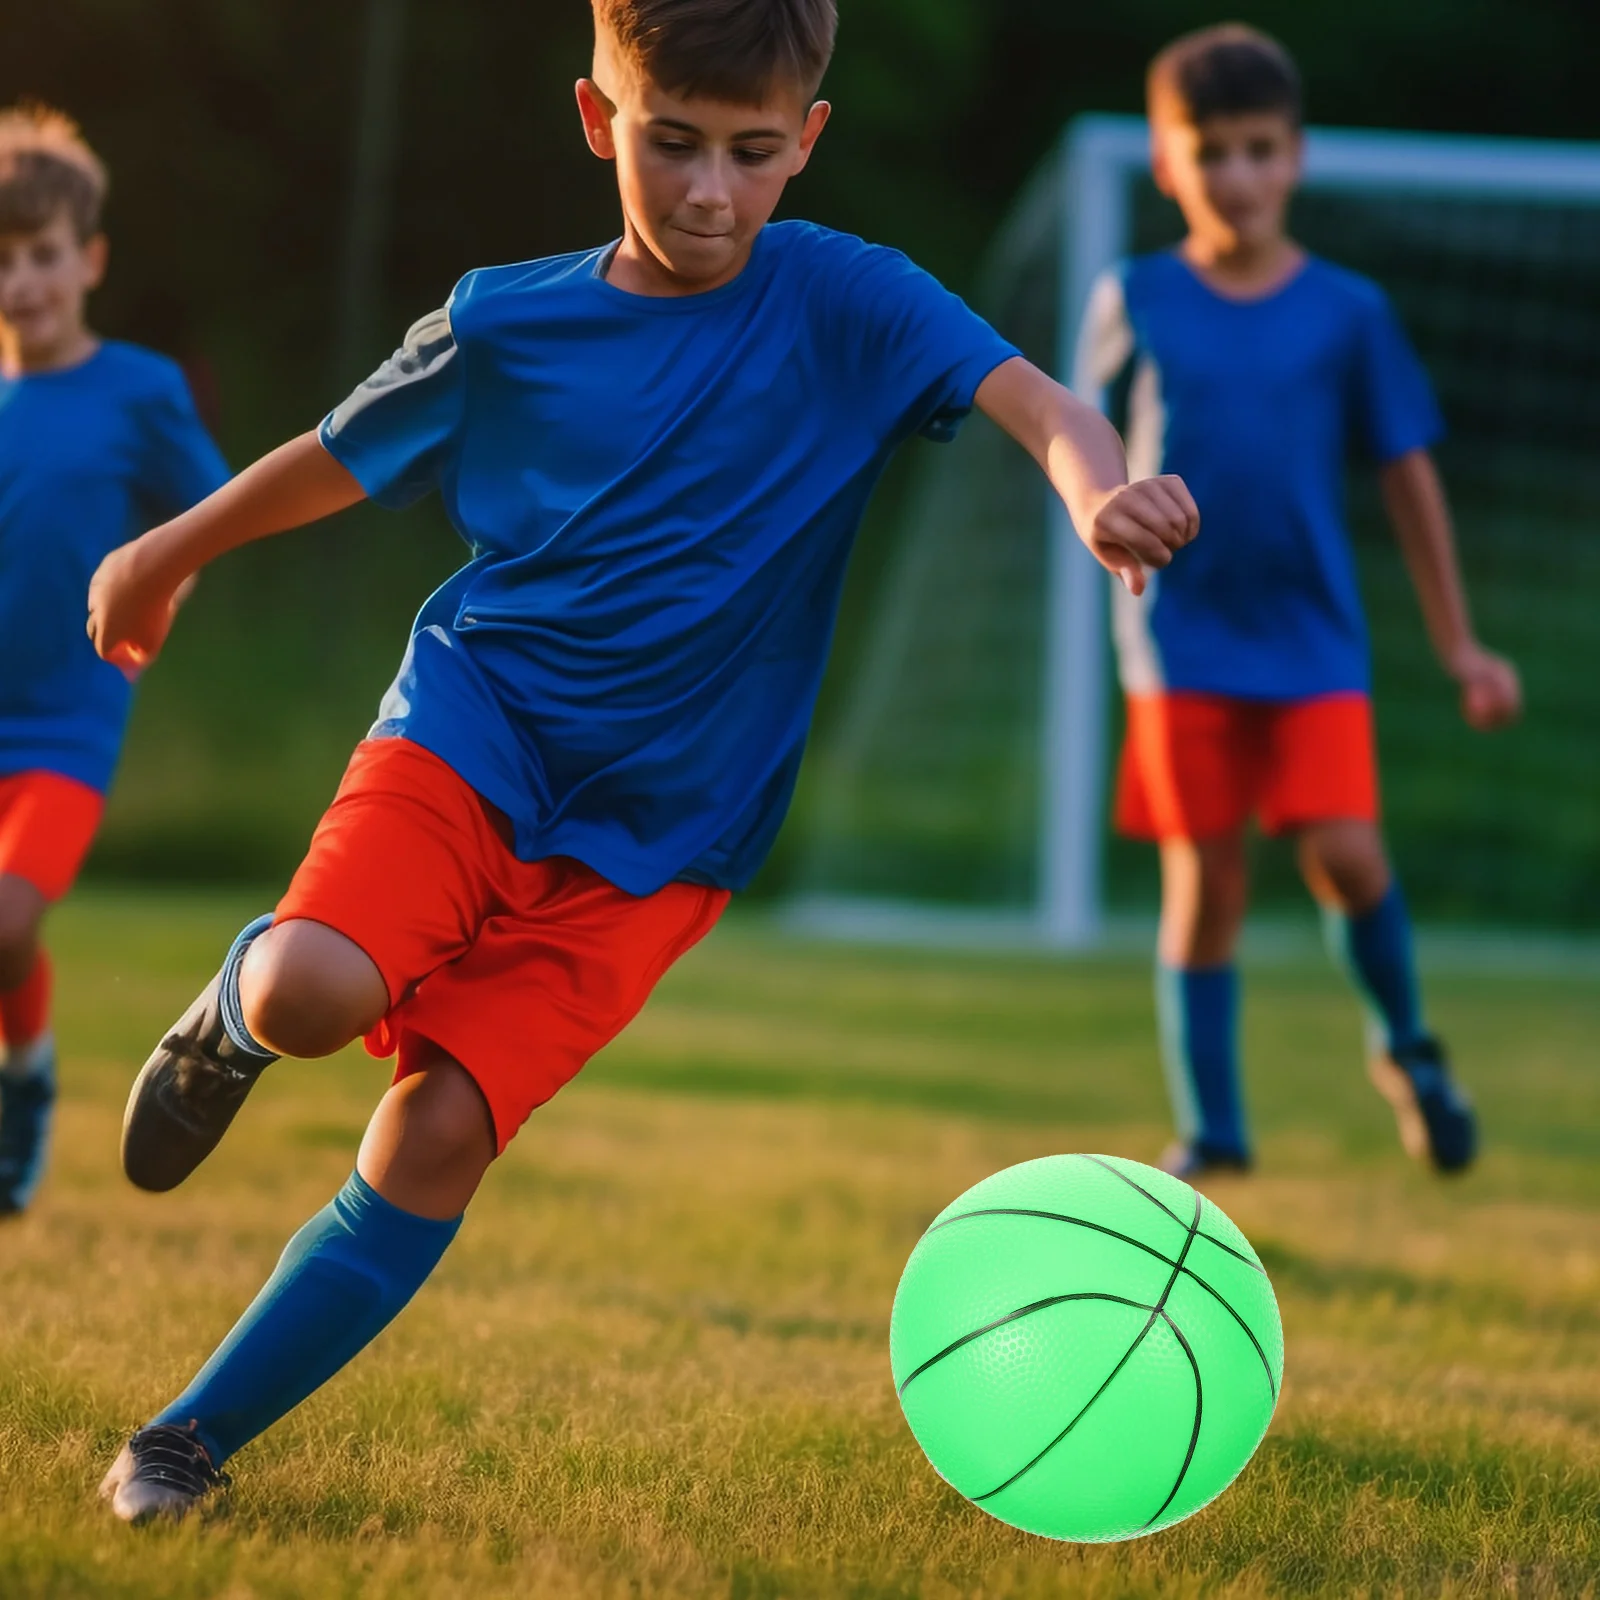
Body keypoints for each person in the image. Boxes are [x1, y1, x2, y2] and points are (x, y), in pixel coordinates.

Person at [87, 0, 1199, 1523]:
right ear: (600, 118)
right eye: (671, 143)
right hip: (474, 732)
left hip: (664, 840)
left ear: (806, 142)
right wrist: (165, 551)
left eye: (751, 154)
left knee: (435, 1136)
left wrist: (1097, 491)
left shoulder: (849, 302)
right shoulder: (507, 321)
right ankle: (233, 1005)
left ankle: (182, 1442)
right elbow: (340, 451)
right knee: (307, 990)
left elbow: (1041, 400)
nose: (707, 192)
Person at [1076, 24, 1522, 1184]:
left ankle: (1409, 1051)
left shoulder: (1348, 312)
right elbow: (1078, 444)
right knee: (1205, 879)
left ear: (1297, 157)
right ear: (1167, 163)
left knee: (1346, 856)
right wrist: (1105, 522)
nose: (1237, 175)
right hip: (1176, 643)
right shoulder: (1133, 297)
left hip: (1312, 640)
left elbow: (1408, 473)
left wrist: (1460, 643)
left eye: (1258, 149)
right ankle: (1214, 1135)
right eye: (1209, 152)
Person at [0, 104, 229, 1216]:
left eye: (41, 256)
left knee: (4, 918)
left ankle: (26, 1081)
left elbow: (210, 514)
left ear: (86, 259)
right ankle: (26, 1063)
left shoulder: (137, 390)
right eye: (2, 261)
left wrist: (159, 593)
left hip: (66, 723)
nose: (22, 282)